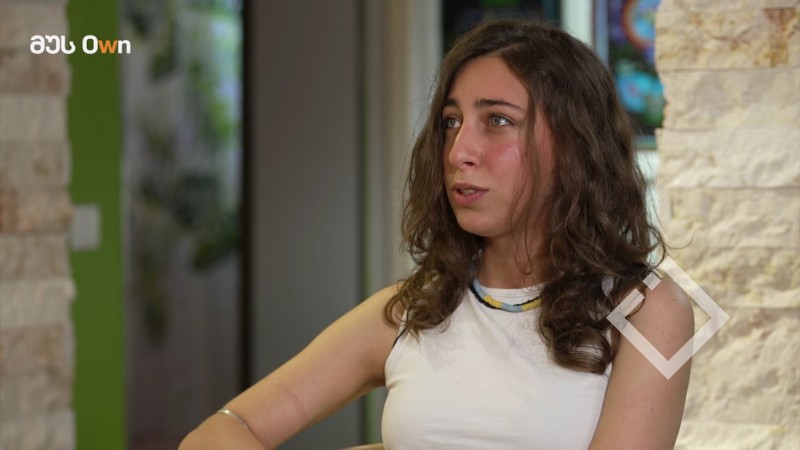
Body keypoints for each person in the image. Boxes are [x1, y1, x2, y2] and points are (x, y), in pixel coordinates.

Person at [180, 18, 693, 450]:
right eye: (451, 122)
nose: (459, 151)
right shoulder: (410, 311)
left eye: (497, 120)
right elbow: (216, 434)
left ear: (575, 146)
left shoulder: (652, 310)